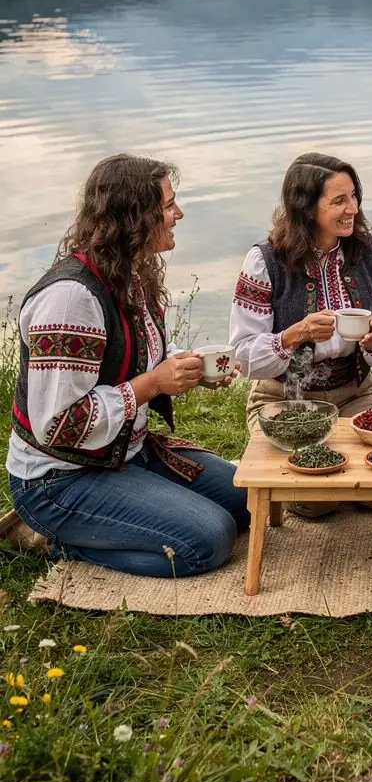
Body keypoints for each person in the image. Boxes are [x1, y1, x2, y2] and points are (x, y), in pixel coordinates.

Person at [1, 154, 249, 575]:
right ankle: (52, 537)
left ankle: (136, 504)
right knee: (209, 540)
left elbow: (133, 359)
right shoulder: (70, 299)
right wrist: (152, 384)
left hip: (124, 455)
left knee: (248, 500)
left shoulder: (129, 274)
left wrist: (184, 369)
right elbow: (60, 423)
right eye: (168, 206)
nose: (178, 214)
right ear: (135, 215)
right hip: (61, 478)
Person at [229, 152, 372, 518]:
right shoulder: (265, 261)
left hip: (356, 392)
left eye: (354, 196)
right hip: (286, 399)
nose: (352, 209)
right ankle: (298, 480)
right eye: (339, 200)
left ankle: (341, 468)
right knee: (317, 501)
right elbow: (243, 356)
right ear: (307, 208)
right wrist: (292, 336)